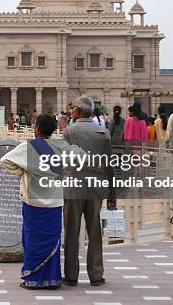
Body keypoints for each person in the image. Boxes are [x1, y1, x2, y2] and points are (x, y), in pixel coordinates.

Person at [1, 114, 82, 289]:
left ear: (36, 127)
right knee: (52, 240)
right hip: (54, 202)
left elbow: (5, 160)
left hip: (33, 201)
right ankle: (52, 278)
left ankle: (34, 278)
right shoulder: (61, 147)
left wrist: (23, 171)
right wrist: (64, 172)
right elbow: (79, 156)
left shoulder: (28, 148)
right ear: (53, 130)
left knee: (32, 240)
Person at [62, 96, 114, 287]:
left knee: (71, 232)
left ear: (77, 111)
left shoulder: (69, 131)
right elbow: (110, 164)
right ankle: (96, 275)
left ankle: (70, 275)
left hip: (73, 186)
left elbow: (66, 160)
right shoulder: (103, 131)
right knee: (94, 232)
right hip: (96, 186)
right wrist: (112, 192)